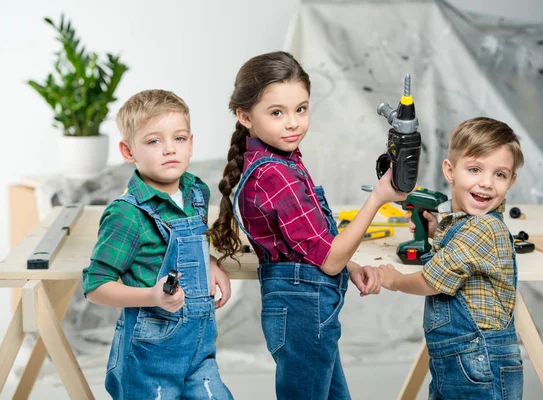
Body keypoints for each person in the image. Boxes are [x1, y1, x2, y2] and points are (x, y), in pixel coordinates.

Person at [208, 51, 408, 399]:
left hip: (305, 306)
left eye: (301, 109)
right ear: (245, 116)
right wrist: (377, 198)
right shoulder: (277, 175)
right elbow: (328, 260)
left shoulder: (277, 160)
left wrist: (352, 265)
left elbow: (308, 245)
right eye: (277, 113)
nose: (293, 123)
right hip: (303, 310)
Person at [82, 89, 233, 400]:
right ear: (128, 151)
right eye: (153, 141)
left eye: (178, 138)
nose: (169, 149)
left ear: (191, 143)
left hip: (200, 348)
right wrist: (152, 295)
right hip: (150, 357)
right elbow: (96, 287)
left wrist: (210, 261)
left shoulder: (196, 192)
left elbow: (190, 245)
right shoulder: (127, 213)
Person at [379, 117, 525, 400]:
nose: (486, 183)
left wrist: (395, 280)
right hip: (458, 361)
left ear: (511, 181)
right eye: (474, 169)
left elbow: (433, 281)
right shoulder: (467, 225)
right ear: (450, 170)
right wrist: (436, 233)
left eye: (500, 174)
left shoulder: (483, 227)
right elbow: (462, 257)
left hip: (481, 362)